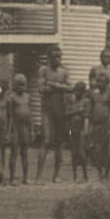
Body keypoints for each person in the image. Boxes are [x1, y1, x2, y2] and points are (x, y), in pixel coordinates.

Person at [39, 47, 72, 178]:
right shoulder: (43, 70)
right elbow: (41, 89)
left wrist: (54, 85)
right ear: (49, 57)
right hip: (47, 110)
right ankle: (38, 175)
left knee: (59, 142)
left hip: (60, 110)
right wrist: (59, 87)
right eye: (54, 57)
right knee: (46, 140)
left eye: (59, 57)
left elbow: (70, 88)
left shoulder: (64, 71)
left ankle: (56, 176)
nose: (57, 59)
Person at [2, 74, 33, 184]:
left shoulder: (28, 97)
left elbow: (30, 116)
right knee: (14, 152)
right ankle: (12, 178)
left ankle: (25, 177)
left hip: (25, 127)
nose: (21, 86)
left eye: (23, 84)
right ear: (14, 85)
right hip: (15, 127)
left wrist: (32, 130)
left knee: (24, 153)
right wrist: (8, 132)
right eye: (19, 84)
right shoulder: (11, 98)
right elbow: (9, 117)